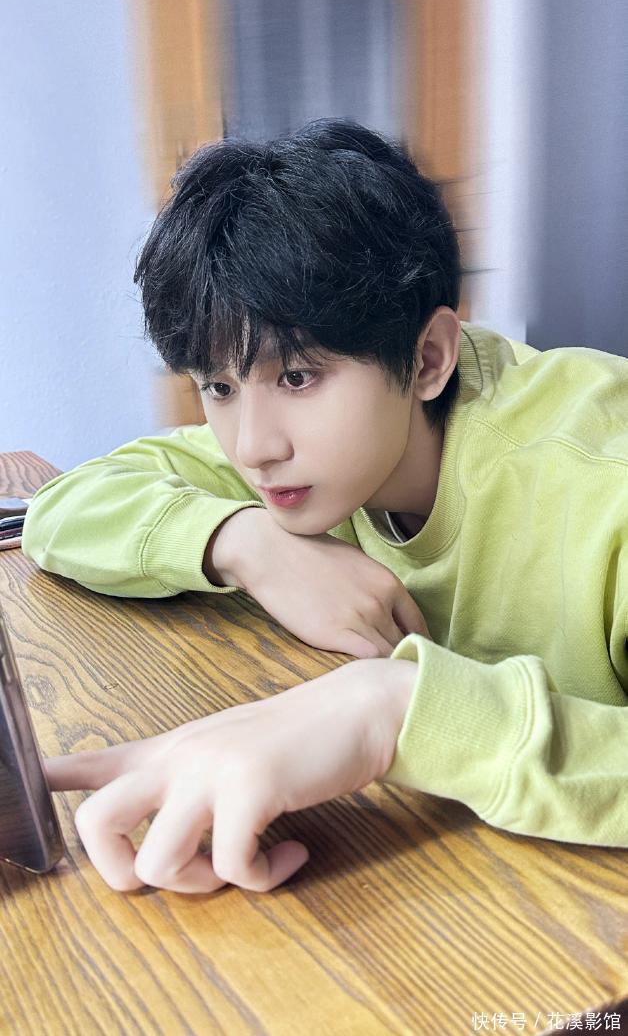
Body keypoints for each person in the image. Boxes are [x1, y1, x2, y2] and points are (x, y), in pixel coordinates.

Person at [24, 119, 628, 896]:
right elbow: (62, 506)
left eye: (299, 377)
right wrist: (243, 541)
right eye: (218, 386)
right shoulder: (309, 457)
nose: (253, 446)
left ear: (428, 359)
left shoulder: (599, 480)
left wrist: (393, 710)